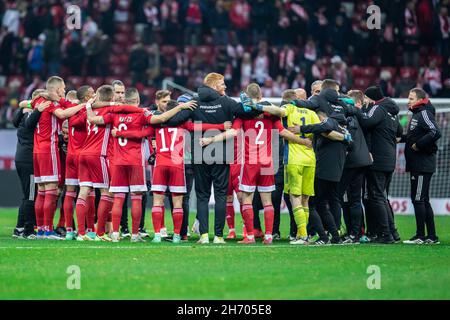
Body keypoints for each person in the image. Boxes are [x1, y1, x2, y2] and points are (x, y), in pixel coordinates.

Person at [200, 83, 312, 244]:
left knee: (247, 200)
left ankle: (250, 236)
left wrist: (211, 139)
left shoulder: (243, 115)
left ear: (247, 95)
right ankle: (268, 236)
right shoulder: (270, 113)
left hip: (250, 163)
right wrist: (303, 141)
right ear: (260, 97)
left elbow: (232, 132)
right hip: (267, 163)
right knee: (268, 201)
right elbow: (283, 132)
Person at [86, 86, 197, 242]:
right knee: (137, 198)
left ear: (124, 100)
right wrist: (181, 107)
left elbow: (92, 119)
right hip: (136, 161)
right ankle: (135, 234)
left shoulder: (114, 114)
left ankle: (115, 234)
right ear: (137, 101)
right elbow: (161, 119)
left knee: (118, 198)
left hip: (118, 161)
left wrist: (88, 106)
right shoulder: (142, 114)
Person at [31, 76, 85, 239]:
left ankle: (40, 230)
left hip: (37, 150)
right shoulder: (50, 104)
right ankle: (48, 230)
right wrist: (83, 105)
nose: (64, 91)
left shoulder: (38, 100)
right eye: (62, 88)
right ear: (56, 89)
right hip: (49, 149)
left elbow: (27, 103)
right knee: (51, 190)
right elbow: (62, 114)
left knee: (41, 191)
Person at [355, 86, 400, 244]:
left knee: (377, 197)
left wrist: (357, 110)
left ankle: (385, 234)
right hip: (390, 159)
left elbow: (367, 122)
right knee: (382, 196)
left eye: (366, 98)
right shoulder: (392, 112)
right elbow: (399, 132)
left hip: (378, 160)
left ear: (371, 98)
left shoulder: (378, 108)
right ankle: (393, 233)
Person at [403, 88, 441, 244]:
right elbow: (414, 136)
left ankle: (420, 236)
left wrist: (418, 145)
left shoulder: (424, 113)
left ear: (419, 100)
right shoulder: (417, 114)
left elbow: (435, 132)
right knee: (423, 200)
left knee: (418, 199)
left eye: (411, 98)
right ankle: (431, 236)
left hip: (422, 164)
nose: (408, 101)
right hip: (418, 164)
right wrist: (400, 138)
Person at [13, 90, 50, 239]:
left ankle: (19, 228)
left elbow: (15, 121)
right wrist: (37, 111)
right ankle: (29, 230)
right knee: (30, 196)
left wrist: (23, 107)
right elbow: (29, 126)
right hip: (29, 160)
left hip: (22, 158)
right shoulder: (31, 117)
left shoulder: (23, 114)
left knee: (27, 195)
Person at [338, 90, 372, 243]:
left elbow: (348, 141)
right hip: (362, 161)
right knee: (355, 199)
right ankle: (356, 233)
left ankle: (353, 233)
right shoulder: (357, 117)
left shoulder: (347, 118)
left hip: (351, 162)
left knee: (345, 198)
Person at [63, 85, 95, 240]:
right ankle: (87, 230)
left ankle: (69, 230)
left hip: (70, 154)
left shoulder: (73, 110)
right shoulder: (86, 111)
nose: (95, 95)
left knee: (70, 193)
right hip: (83, 156)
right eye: (92, 93)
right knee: (88, 193)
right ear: (87, 97)